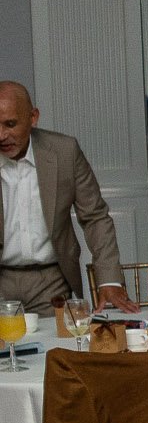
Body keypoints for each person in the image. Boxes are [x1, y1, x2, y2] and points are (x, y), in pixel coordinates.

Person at [0, 81, 136, 312]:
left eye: (10, 124)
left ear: (33, 117)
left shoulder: (65, 151)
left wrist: (109, 280)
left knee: (55, 347)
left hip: (49, 282)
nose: (1, 135)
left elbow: (95, 217)